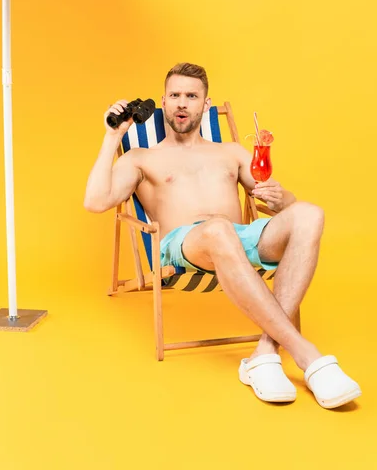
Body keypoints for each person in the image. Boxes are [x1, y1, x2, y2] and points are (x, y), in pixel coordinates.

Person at [84, 62, 361, 409]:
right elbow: (95, 202)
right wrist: (113, 137)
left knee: (309, 213)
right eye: (175, 95)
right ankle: (306, 354)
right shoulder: (142, 158)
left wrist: (281, 197)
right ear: (163, 102)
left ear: (206, 103)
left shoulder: (230, 152)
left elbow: (283, 206)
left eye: (191, 96)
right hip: (186, 245)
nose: (182, 103)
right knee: (216, 229)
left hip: (242, 237)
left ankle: (265, 352)